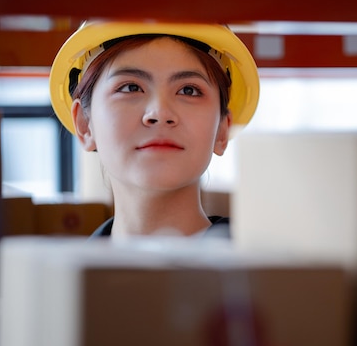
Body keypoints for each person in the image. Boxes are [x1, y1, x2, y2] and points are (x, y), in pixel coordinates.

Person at [49, 21, 259, 238]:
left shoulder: (267, 268)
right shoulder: (62, 272)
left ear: (222, 130)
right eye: (130, 87)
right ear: (85, 124)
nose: (160, 113)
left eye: (189, 90)